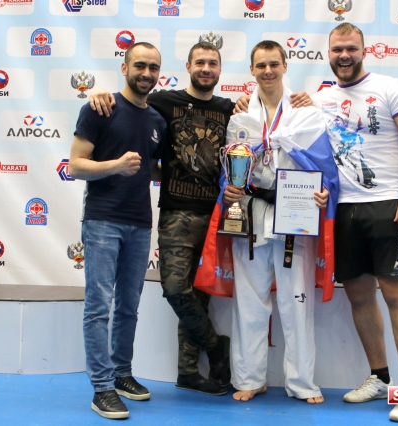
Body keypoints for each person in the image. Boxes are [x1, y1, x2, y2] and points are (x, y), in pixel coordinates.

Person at [89, 42, 314, 396]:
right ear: (188, 66)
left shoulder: (233, 109)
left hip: (219, 214)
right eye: (200, 63)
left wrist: (306, 101)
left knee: (200, 291)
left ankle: (189, 371)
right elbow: (132, 100)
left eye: (213, 63)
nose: (206, 68)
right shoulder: (164, 101)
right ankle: (215, 345)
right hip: (177, 212)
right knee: (176, 288)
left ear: (220, 70)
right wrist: (101, 93)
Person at [200, 40, 338, 404]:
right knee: (249, 302)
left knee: (297, 304)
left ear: (285, 65)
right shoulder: (241, 117)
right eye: (261, 65)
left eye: (274, 64)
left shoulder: (307, 114)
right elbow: (230, 170)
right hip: (251, 216)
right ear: (252, 70)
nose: (268, 71)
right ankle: (249, 378)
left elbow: (324, 168)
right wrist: (229, 189)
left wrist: (324, 193)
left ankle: (302, 382)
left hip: (296, 217)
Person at [311, 23, 398, 422]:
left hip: (388, 206)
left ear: (364, 50)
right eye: (337, 49)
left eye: (351, 48)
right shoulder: (320, 99)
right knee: (359, 295)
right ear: (329, 53)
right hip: (344, 210)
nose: (344, 55)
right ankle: (380, 377)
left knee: (397, 294)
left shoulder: (390, 88)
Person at [69, 42, 167, 420]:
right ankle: (102, 388)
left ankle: (122, 373)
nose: (146, 73)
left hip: (140, 222)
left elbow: (152, 168)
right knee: (98, 306)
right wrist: (115, 165)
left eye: (153, 68)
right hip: (103, 220)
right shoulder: (100, 108)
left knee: (128, 306)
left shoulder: (157, 121)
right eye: (140, 65)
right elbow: (75, 165)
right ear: (124, 67)